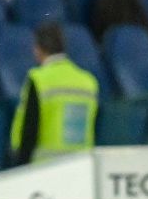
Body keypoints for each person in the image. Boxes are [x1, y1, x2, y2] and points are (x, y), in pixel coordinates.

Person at [9, 19, 98, 166]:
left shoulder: (39, 79)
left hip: (44, 166)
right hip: (80, 165)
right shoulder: (88, 82)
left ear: (38, 49)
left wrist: (21, 164)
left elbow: (30, 127)